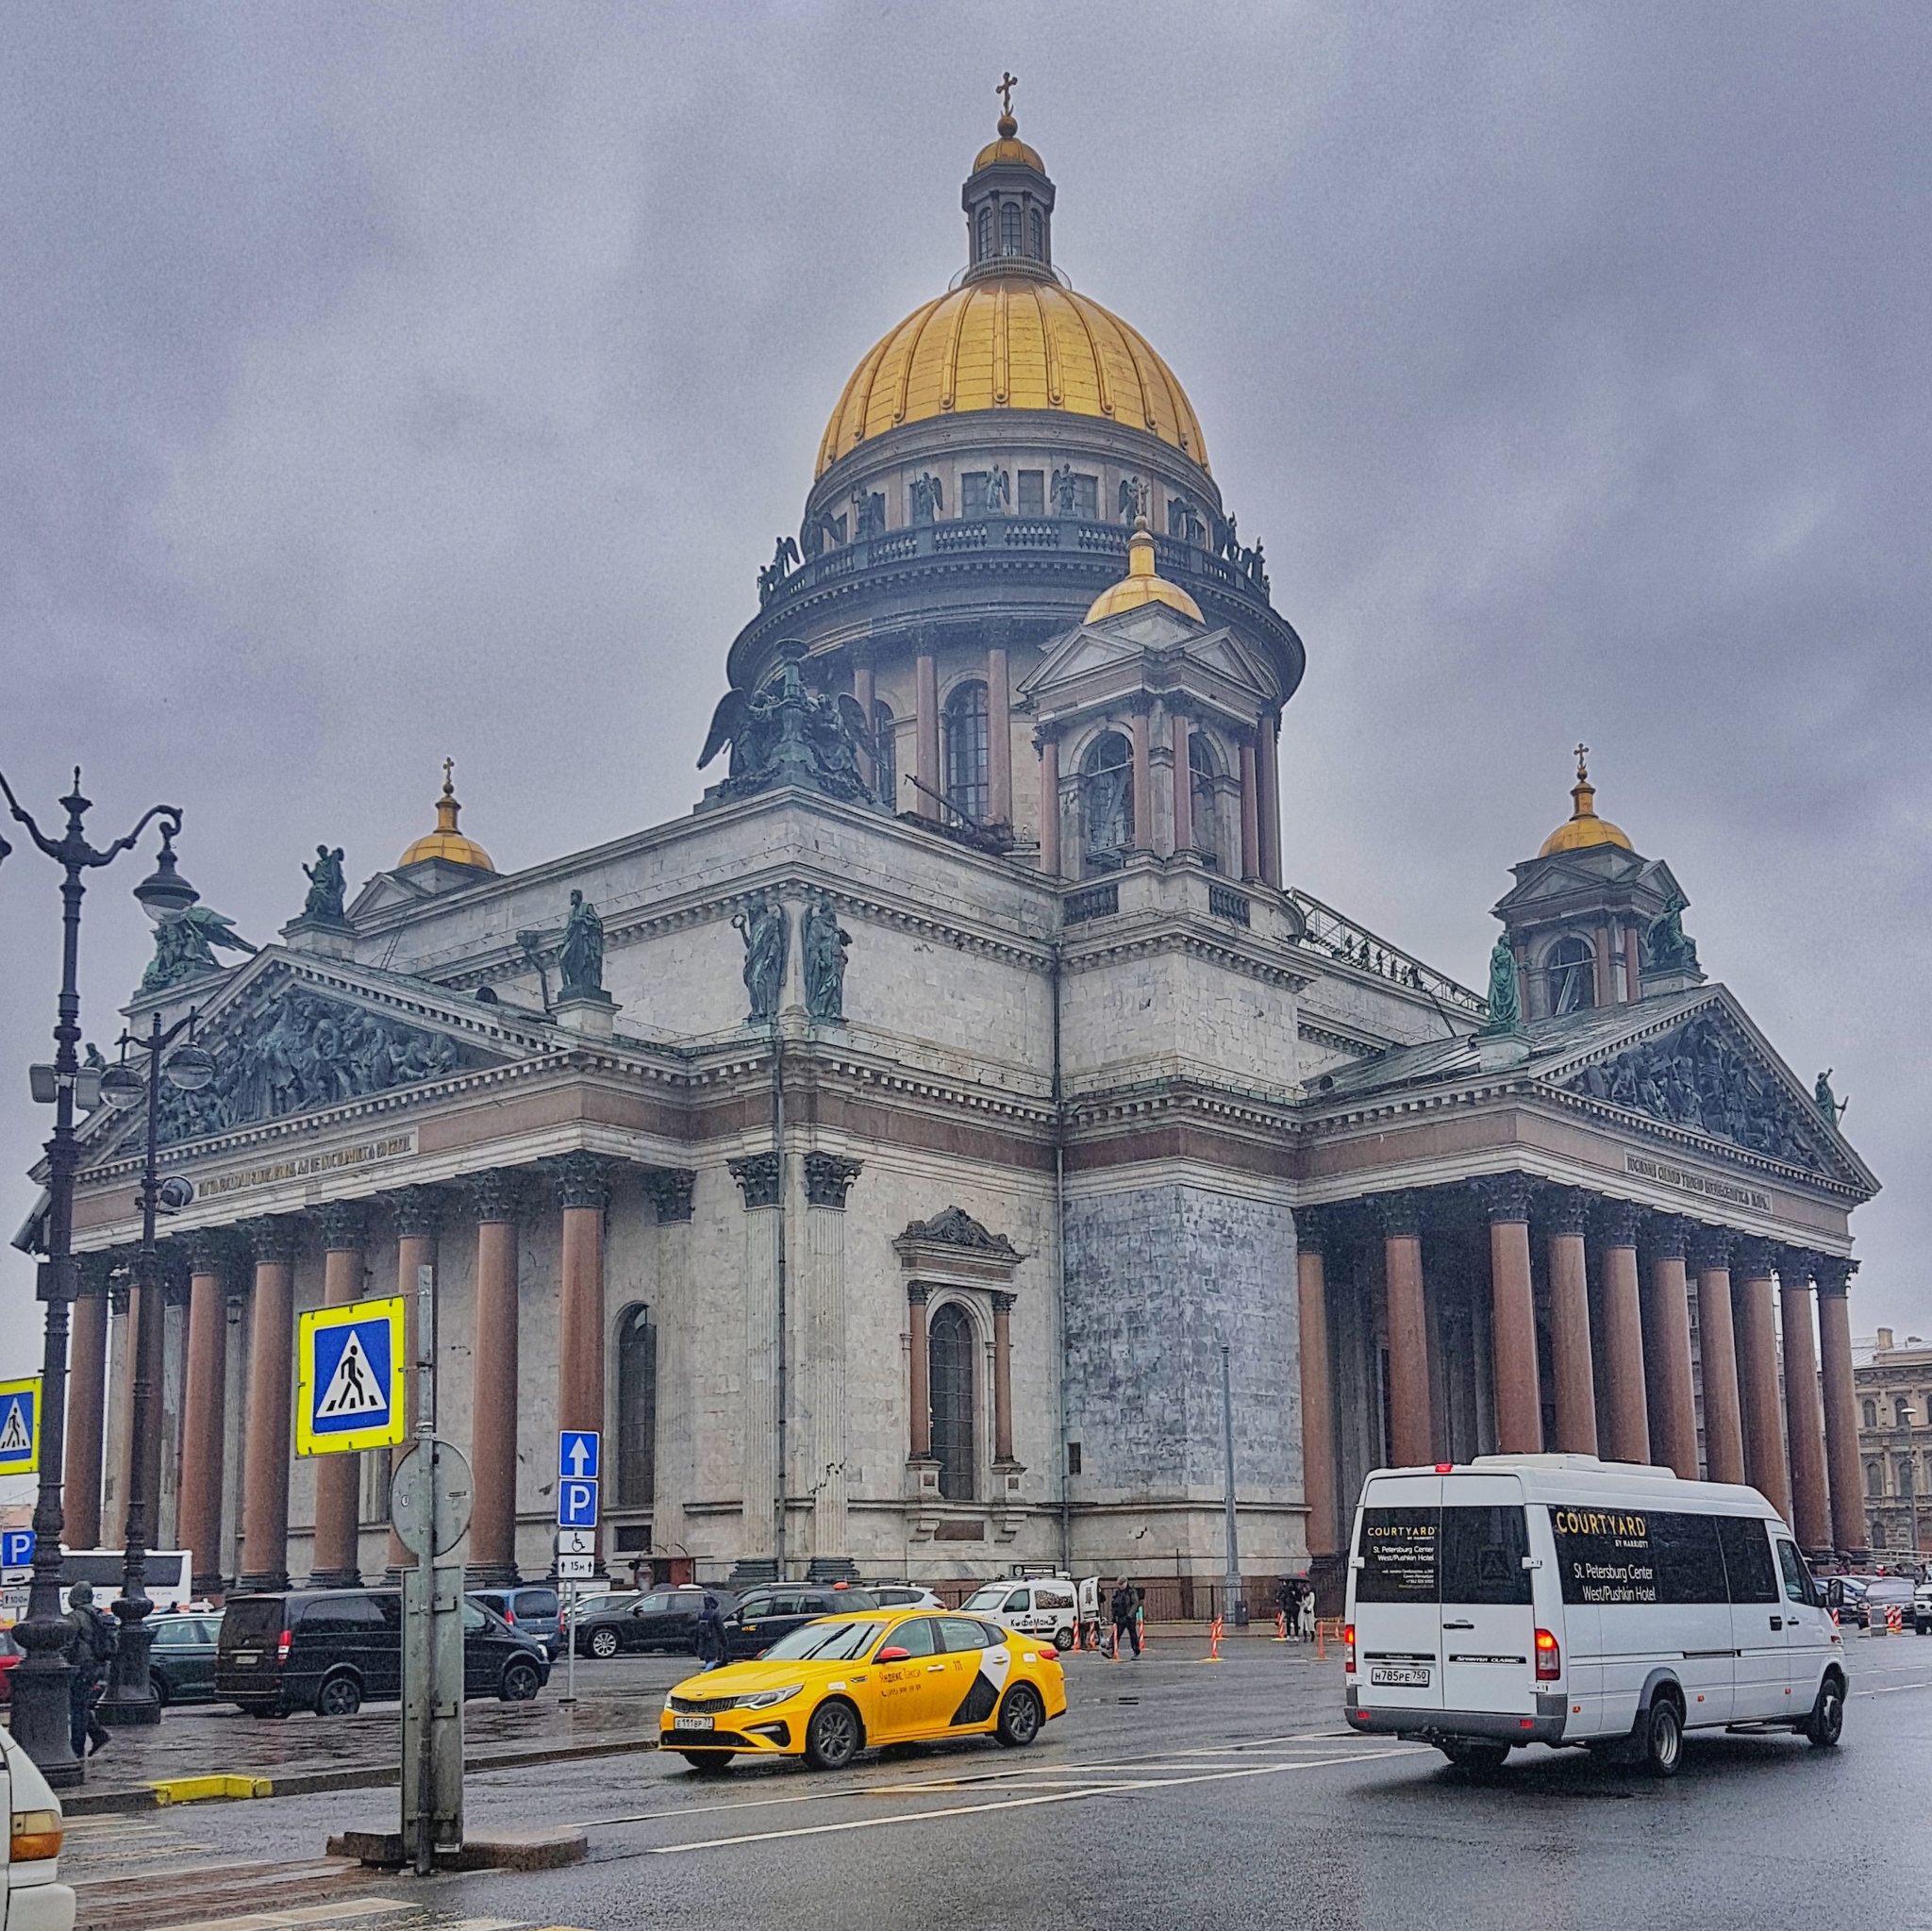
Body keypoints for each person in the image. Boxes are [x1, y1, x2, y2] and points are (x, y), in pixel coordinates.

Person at [64, 1582, 116, 1757]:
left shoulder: (76, 1616)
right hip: (98, 1665)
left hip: (81, 1666)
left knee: (77, 1707)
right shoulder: (99, 1614)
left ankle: (77, 1749)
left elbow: (68, 1642)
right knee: (80, 1704)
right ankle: (97, 1735)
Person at [694, 1590, 728, 1673]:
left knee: (708, 1659)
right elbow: (720, 1629)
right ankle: (706, 1672)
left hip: (703, 1641)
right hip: (713, 1640)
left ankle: (707, 1670)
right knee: (713, 1659)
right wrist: (725, 1642)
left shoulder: (702, 1614)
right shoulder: (715, 1614)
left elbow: (697, 1630)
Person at [1109, 1577, 1141, 1659]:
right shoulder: (1117, 1593)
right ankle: (1110, 1650)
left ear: (1126, 1582)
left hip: (1129, 1618)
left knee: (1133, 1635)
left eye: (1122, 1584)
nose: (1121, 1586)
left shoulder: (1131, 1592)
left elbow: (1135, 1603)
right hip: (1120, 1617)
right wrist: (1114, 1616)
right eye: (1119, 1584)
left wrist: (1130, 1615)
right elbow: (1114, 1605)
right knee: (1116, 1634)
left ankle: (1136, 1651)